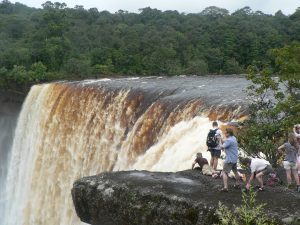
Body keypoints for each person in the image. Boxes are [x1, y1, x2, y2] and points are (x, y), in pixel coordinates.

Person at [220, 128, 240, 192]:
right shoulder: (234, 138)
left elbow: (222, 147)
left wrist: (219, 140)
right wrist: (222, 140)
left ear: (229, 133)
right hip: (234, 158)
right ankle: (237, 184)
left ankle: (225, 187)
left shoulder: (229, 141)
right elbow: (226, 143)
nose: (225, 134)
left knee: (224, 172)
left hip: (229, 159)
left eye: (226, 133)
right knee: (235, 171)